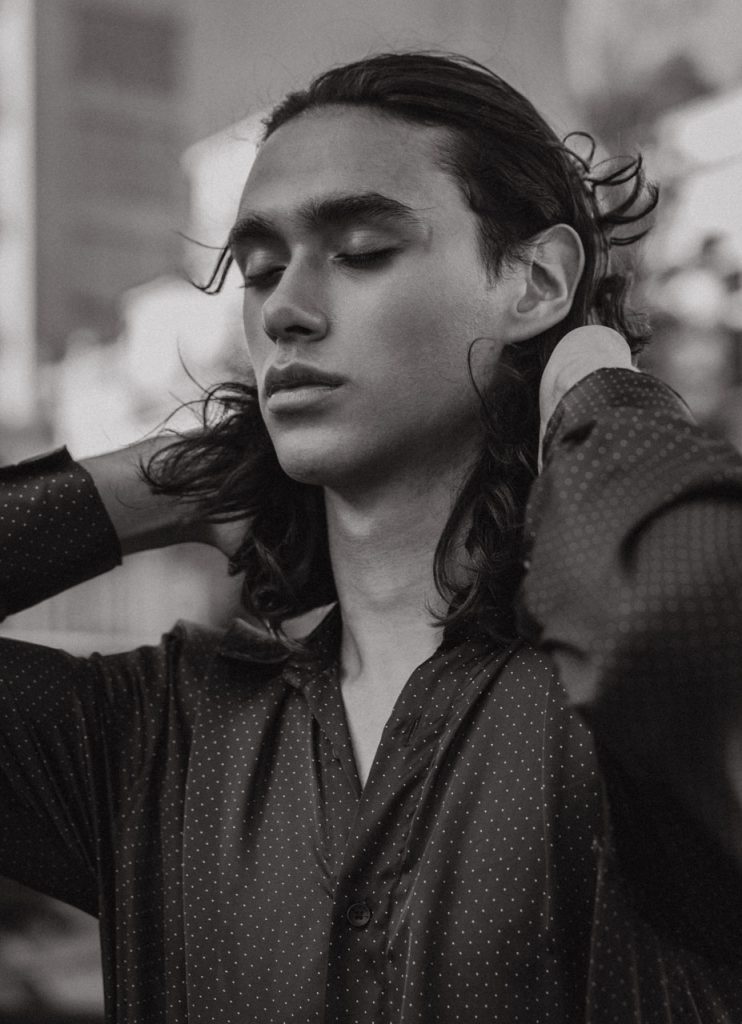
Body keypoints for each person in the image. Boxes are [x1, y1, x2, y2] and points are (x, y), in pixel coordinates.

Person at [1, 50, 741, 1023]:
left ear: (536, 281)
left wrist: (592, 382)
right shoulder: (154, 739)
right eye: (259, 271)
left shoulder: (611, 722)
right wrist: (155, 482)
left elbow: (678, 621)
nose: (286, 311)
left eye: (359, 250)